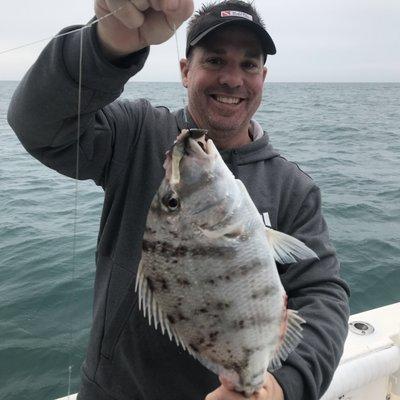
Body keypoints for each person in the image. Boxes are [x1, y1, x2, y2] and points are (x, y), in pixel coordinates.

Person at [7, 0, 350, 399]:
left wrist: (278, 385)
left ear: (264, 77)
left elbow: (324, 293)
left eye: (249, 65)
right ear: (186, 71)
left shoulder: (294, 188)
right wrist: (105, 46)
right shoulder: (137, 133)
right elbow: (38, 123)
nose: (233, 79)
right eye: (216, 60)